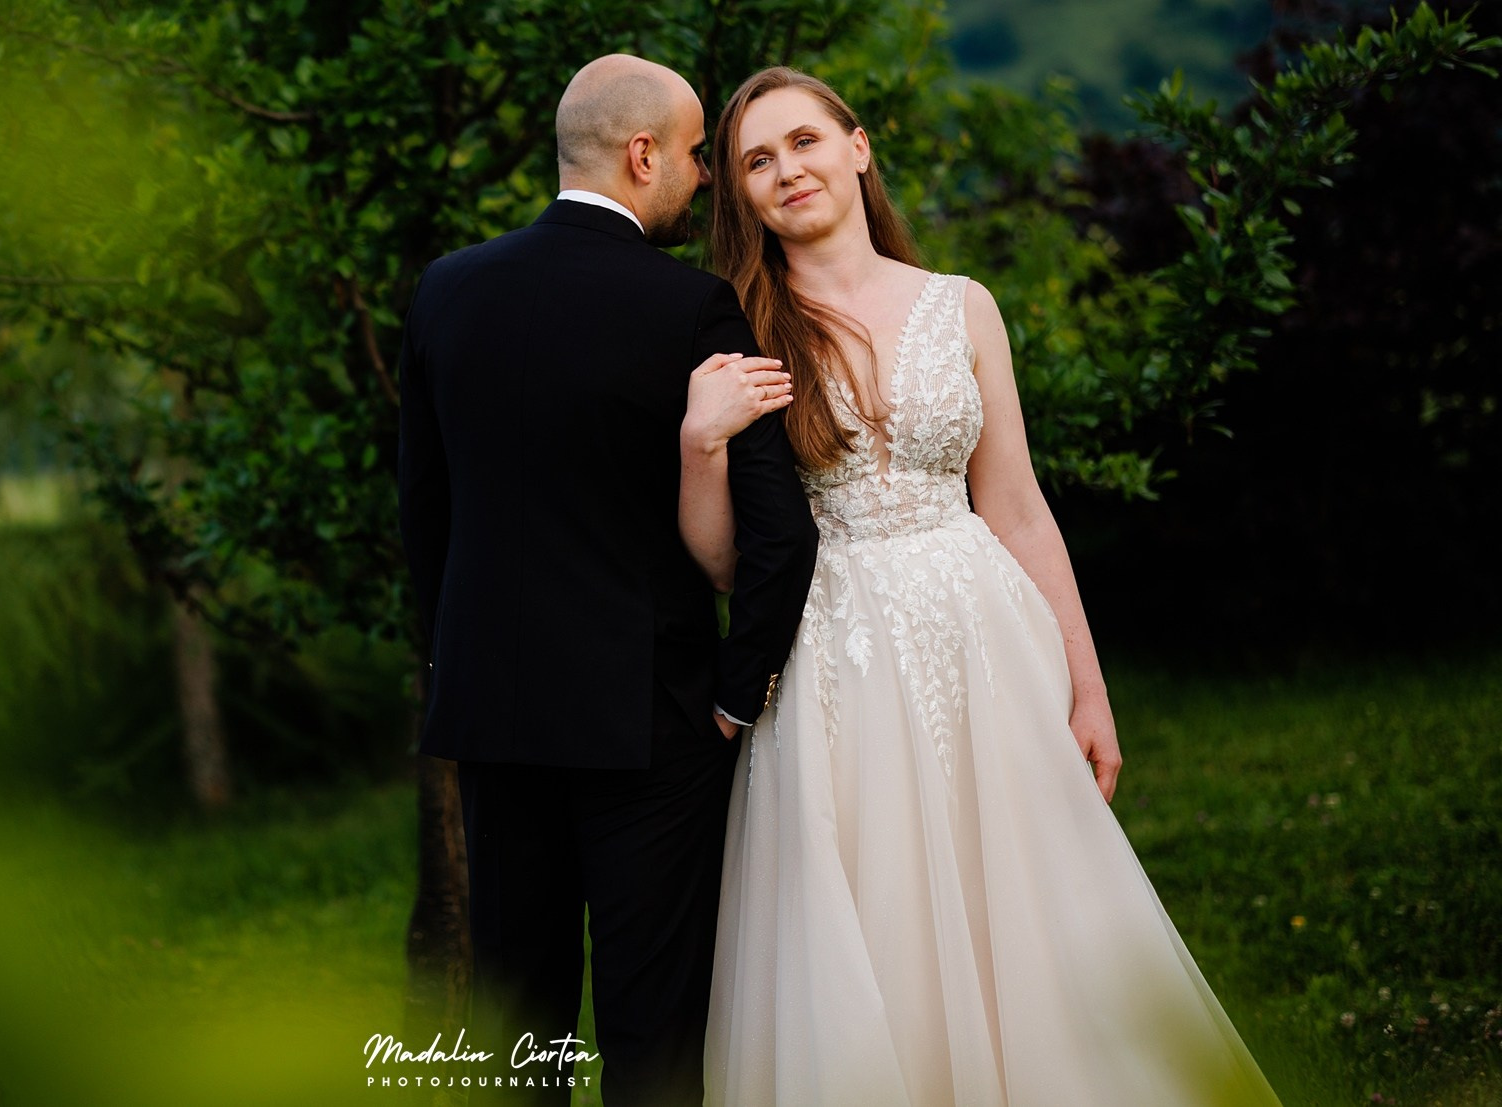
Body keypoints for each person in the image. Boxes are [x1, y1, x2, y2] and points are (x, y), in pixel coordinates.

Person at [688, 66, 1285, 1107]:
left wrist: (1085, 685)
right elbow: (726, 562)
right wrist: (700, 443)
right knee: (874, 914)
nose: (786, 170)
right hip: (834, 656)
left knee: (1025, 903)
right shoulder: (739, 325)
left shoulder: (961, 307)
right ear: (738, 195)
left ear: (858, 148)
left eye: (803, 142)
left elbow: (1013, 505)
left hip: (981, 638)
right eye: (755, 160)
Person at [397, 54, 819, 1106]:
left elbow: (423, 518)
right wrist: (735, 693)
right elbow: (780, 538)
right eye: (691, 155)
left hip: (495, 718)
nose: (702, 178)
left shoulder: (445, 291)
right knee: (652, 1027)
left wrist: (449, 669)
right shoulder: (690, 308)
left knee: (516, 1020)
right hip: (654, 725)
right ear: (641, 156)